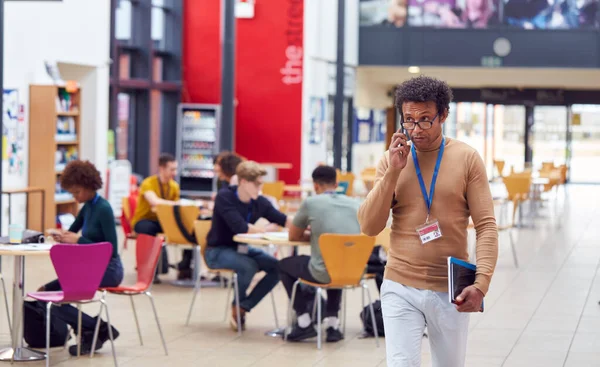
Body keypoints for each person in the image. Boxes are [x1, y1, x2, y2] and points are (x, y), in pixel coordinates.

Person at [357, 75, 498, 367]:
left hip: (450, 288)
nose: (416, 129)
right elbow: (369, 226)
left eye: (425, 120)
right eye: (408, 120)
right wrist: (393, 172)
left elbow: (486, 226)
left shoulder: (467, 158)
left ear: (443, 114)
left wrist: (481, 283)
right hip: (400, 283)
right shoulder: (392, 159)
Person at [40, 160, 123, 356]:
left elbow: (111, 249)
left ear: (88, 186)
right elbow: (72, 233)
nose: (75, 197)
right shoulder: (87, 208)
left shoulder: (103, 208)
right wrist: (61, 235)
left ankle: (94, 329)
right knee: (45, 293)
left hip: (109, 269)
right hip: (91, 268)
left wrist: (79, 240)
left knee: (55, 298)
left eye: (77, 192)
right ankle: (95, 328)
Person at [204, 160, 291, 331]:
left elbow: (282, 219)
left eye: (261, 183)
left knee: (279, 267)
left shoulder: (259, 201)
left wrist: (305, 227)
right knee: (249, 265)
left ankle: (243, 306)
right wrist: (265, 228)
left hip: (240, 249)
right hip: (217, 251)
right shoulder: (225, 197)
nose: (260, 187)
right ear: (243, 182)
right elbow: (240, 227)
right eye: (256, 183)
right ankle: (238, 309)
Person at [279, 165, 360, 343]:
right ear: (337, 184)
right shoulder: (355, 203)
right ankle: (333, 325)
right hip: (354, 270)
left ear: (315, 186)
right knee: (336, 260)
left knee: (283, 265)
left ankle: (304, 322)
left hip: (322, 272)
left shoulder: (311, 203)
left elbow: (294, 235)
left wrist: (316, 234)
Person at [130, 153, 182, 282]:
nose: (174, 173)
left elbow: (175, 209)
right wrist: (173, 204)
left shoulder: (174, 186)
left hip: (163, 221)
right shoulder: (148, 183)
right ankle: (150, 271)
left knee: (188, 227)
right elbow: (154, 201)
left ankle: (185, 267)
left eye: (176, 169)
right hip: (144, 220)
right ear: (162, 169)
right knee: (148, 229)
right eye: (172, 169)